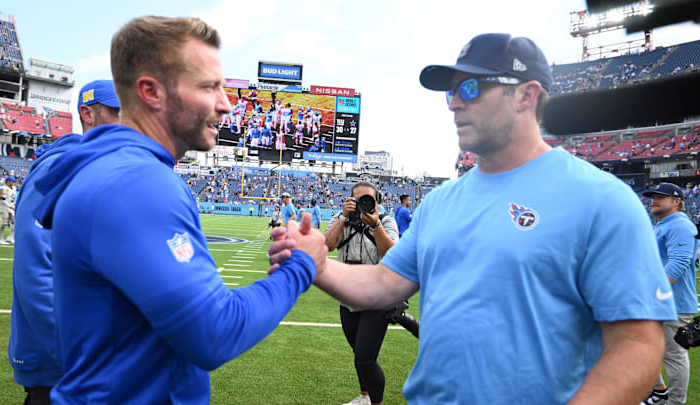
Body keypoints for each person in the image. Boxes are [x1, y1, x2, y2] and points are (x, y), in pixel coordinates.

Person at [285, 33, 676, 404]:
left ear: (526, 95)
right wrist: (315, 264)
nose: (455, 103)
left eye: (469, 88)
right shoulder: (440, 202)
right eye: (451, 92)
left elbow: (638, 344)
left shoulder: (602, 201)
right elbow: (385, 283)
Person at [30, 16, 326, 403]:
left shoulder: (116, 170)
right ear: (151, 92)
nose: (225, 104)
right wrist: (300, 266)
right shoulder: (136, 182)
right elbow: (213, 333)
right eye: (209, 87)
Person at [8, 79, 120, 405]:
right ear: (87, 113)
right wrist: (80, 355)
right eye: (118, 111)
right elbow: (36, 272)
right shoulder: (59, 168)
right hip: (64, 370)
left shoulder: (99, 168)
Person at [324, 182, 398, 405]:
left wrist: (376, 226)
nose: (363, 204)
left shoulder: (386, 220)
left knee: (366, 358)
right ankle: (365, 397)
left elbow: (393, 254)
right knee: (358, 353)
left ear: (378, 201)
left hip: (377, 297)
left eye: (369, 200)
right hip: (348, 296)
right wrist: (343, 218)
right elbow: (327, 245)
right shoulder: (341, 218)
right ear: (350, 201)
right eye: (358, 200)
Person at [641, 182, 699, 405]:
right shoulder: (663, 224)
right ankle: (660, 392)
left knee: (674, 356)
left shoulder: (680, 225)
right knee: (640, 346)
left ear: (677, 202)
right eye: (653, 196)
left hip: (672, 302)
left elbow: (679, 262)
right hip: (660, 300)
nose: (654, 200)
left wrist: (656, 293)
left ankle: (675, 402)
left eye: (661, 197)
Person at [0, 176, 17, 244]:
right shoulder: (3, 188)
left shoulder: (14, 188)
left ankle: (10, 237)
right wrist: (10, 206)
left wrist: (12, 206)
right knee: (3, 223)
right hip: (4, 208)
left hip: (11, 206)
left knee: (15, 223)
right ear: (8, 182)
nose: (13, 183)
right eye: (12, 181)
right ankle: (0, 238)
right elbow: (3, 200)